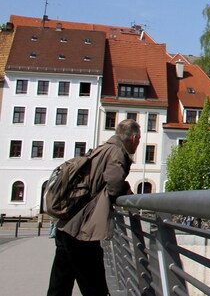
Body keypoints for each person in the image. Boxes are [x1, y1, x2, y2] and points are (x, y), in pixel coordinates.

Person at [47, 119, 140, 296]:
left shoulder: (103, 148)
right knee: (94, 284)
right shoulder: (116, 152)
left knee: (60, 283)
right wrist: (127, 191)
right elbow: (114, 184)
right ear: (134, 138)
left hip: (66, 224)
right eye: (139, 139)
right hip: (81, 229)